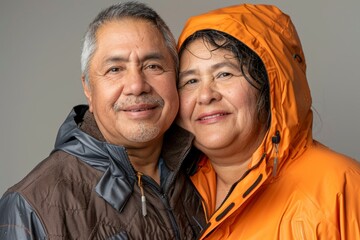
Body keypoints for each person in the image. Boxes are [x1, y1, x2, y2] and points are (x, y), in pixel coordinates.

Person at [0, 2, 205, 239]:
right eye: (115, 69)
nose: (137, 86)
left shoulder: (207, 171)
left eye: (153, 66)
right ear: (88, 87)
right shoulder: (29, 208)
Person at [176, 4, 360, 239]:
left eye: (224, 74)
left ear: (269, 86)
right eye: (190, 81)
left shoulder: (340, 187)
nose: (205, 95)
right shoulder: (167, 189)